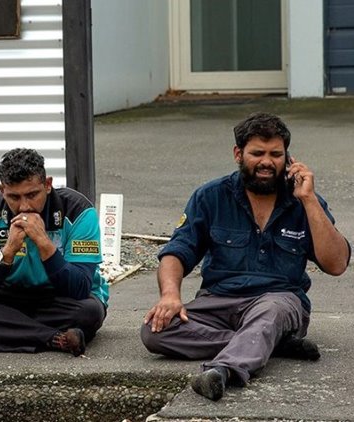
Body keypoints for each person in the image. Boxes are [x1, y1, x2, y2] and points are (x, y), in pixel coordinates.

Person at [140, 112, 350, 401]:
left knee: (270, 312)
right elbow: (177, 252)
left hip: (279, 301)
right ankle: (270, 345)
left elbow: (337, 264)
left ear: (288, 159)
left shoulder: (303, 200)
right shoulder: (210, 196)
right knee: (155, 331)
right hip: (218, 302)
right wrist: (170, 296)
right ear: (238, 154)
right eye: (257, 153)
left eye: (276, 154)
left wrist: (309, 200)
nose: (267, 161)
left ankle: (223, 370)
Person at [0, 148, 108, 357]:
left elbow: (80, 288)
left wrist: (44, 243)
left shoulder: (78, 211)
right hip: (10, 297)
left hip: (59, 300)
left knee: (88, 313)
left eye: (32, 195)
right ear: (2, 190)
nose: (24, 206)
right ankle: (56, 339)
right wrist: (7, 252)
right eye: (14, 197)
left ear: (47, 185)